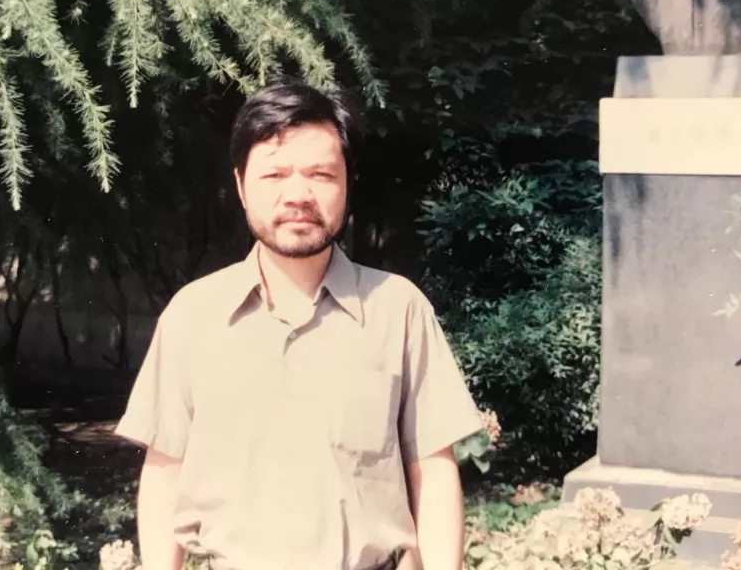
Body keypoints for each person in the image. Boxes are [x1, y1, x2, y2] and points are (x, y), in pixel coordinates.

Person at [114, 81, 485, 570]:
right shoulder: (193, 315)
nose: (298, 195)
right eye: (274, 175)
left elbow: (433, 473)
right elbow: (164, 473)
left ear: (347, 182)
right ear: (241, 185)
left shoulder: (398, 310)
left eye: (320, 174)